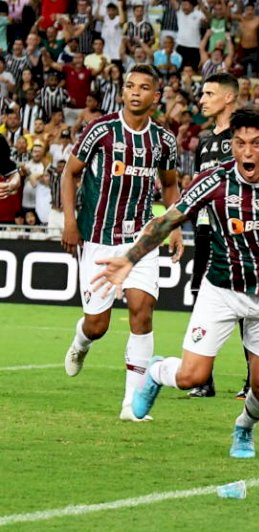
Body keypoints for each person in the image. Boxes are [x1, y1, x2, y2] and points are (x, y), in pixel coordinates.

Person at [90, 106, 259, 458]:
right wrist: (129, 258)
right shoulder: (215, 180)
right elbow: (167, 220)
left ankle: (244, 428)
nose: (246, 152)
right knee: (192, 377)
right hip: (222, 288)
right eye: (239, 143)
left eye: (256, 143)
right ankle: (157, 372)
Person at [60, 64, 182, 421]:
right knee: (97, 326)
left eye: (143, 87)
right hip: (99, 239)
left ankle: (132, 405)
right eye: (129, 86)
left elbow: (170, 185)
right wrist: (70, 220)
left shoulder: (164, 141)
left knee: (142, 311)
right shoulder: (101, 130)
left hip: (142, 240)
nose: (134, 92)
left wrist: (173, 225)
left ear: (155, 97)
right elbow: (70, 173)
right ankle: (81, 342)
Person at [185, 71, 244, 399]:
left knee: (247, 302)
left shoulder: (244, 135)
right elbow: (196, 188)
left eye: (209, 94)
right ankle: (203, 379)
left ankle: (253, 381)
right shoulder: (205, 140)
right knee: (201, 299)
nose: (202, 100)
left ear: (228, 97)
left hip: (238, 232)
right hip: (207, 231)